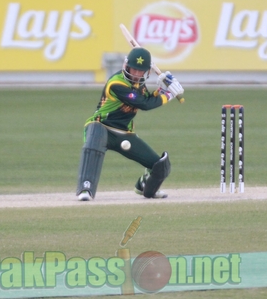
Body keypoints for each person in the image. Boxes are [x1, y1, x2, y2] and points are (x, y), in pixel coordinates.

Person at [75, 47, 185, 202]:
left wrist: (161, 89)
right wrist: (168, 95)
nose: (137, 74)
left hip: (123, 133)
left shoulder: (139, 85)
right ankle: (86, 188)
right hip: (100, 127)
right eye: (134, 69)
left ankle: (145, 186)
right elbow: (143, 104)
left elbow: (146, 97)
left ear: (146, 71)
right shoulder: (116, 84)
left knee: (160, 166)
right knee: (95, 138)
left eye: (141, 71)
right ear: (127, 67)